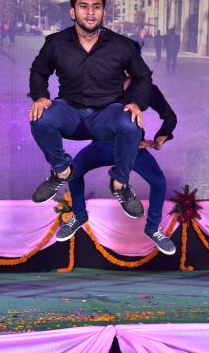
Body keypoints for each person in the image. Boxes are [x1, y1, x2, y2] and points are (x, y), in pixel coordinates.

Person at [29, 0, 152, 218]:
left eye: (96, 6)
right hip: (70, 112)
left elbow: (144, 77)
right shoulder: (55, 43)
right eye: (83, 6)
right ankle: (62, 171)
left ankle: (120, 184)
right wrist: (41, 96)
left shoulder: (123, 45)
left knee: (132, 123)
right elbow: (38, 72)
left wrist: (136, 103)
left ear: (104, 12)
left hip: (107, 115)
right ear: (72, 12)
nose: (90, 12)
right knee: (39, 117)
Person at [56, 82, 177, 255]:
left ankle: (152, 228)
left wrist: (159, 139)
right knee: (74, 170)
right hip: (102, 145)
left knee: (159, 182)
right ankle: (79, 215)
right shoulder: (102, 83)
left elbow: (170, 117)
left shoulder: (146, 89)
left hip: (132, 147)